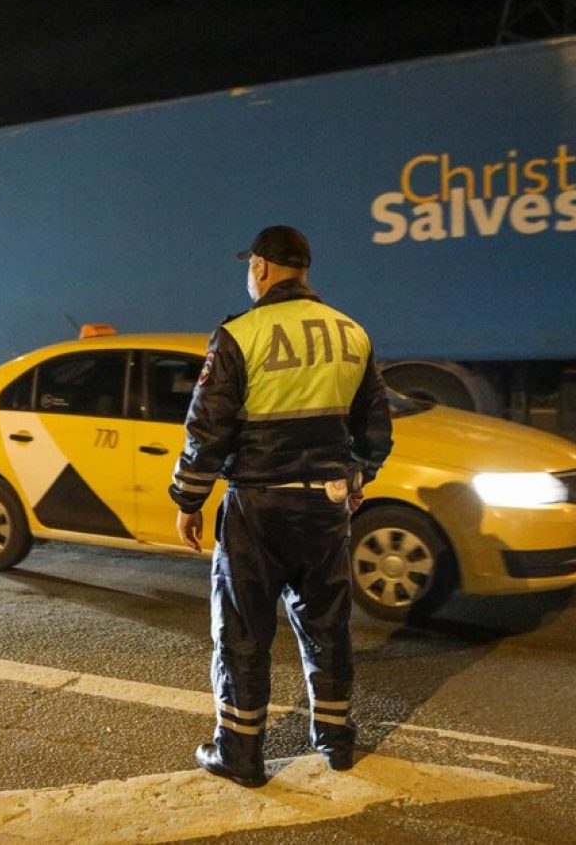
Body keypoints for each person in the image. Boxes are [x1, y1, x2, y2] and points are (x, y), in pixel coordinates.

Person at [169, 225, 393, 788]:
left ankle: (240, 754)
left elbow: (207, 429)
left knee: (244, 630)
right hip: (326, 506)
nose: (250, 274)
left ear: (263, 268)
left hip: (258, 507)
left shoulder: (239, 335)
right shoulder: (352, 333)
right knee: (328, 622)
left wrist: (189, 498)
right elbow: (375, 427)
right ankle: (337, 740)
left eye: (251, 266)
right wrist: (358, 476)